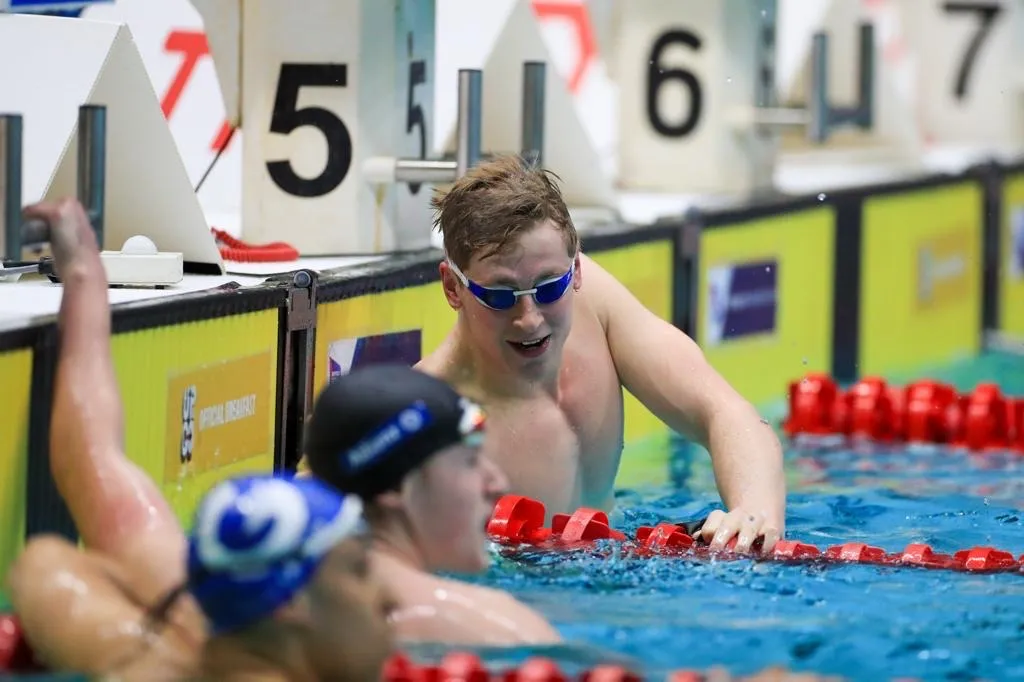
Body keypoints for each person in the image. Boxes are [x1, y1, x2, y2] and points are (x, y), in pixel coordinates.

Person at [6, 198, 394, 682]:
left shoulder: (151, 652)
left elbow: (64, 525)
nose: (387, 597)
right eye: (359, 570)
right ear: (290, 605)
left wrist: (84, 276)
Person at [417, 154, 786, 555]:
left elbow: (724, 410)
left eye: (549, 288)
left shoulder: (594, 302)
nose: (530, 319)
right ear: (453, 288)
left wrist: (753, 513)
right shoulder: (429, 419)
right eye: (500, 296)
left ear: (575, 269)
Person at [302, 363, 563, 646]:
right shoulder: (499, 629)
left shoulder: (294, 615)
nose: (497, 482)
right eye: (470, 461)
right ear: (396, 485)